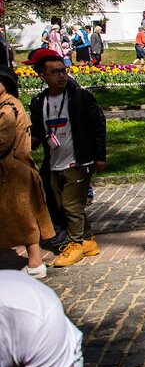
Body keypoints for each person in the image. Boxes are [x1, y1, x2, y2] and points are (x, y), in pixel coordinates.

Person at [27, 48, 106, 267]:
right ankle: (88, 239)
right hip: (54, 160)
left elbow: (98, 126)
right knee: (64, 204)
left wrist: (100, 155)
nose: (61, 76)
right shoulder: (39, 102)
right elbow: (38, 133)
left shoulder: (80, 97)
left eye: (63, 71)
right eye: (55, 72)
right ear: (43, 76)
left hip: (79, 159)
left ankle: (75, 244)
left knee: (71, 205)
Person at [0, 64, 55, 278]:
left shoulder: (8, 109)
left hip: (13, 173)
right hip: (10, 172)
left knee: (24, 219)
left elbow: (3, 141)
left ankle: (35, 262)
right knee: (21, 218)